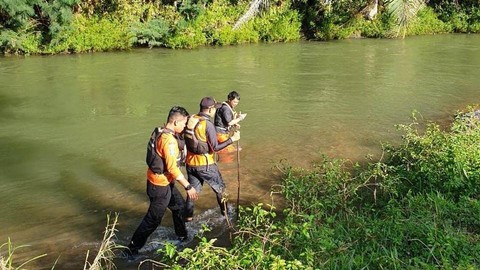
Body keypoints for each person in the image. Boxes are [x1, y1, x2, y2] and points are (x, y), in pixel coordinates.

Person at [125, 106, 198, 259]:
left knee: (179, 207)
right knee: (152, 220)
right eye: (183, 124)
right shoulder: (169, 141)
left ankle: (182, 237)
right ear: (176, 122)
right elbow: (172, 168)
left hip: (163, 182)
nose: (184, 127)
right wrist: (188, 186)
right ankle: (130, 250)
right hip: (159, 186)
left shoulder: (161, 130)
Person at [183, 97, 240, 221]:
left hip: (190, 164)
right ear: (209, 109)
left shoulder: (192, 119)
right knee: (221, 190)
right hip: (206, 165)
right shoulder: (207, 124)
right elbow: (215, 148)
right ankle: (226, 217)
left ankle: (188, 219)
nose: (215, 111)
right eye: (214, 108)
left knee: (192, 193)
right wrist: (232, 139)